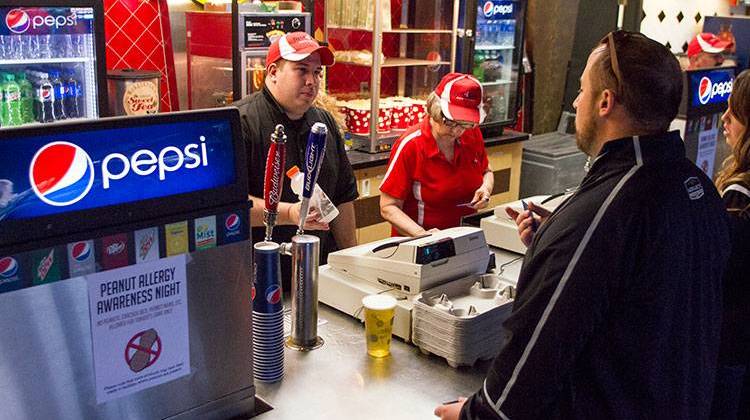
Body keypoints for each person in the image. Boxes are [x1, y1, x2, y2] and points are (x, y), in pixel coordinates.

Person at [435, 31, 730, 420]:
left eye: (581, 90)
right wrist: (557, 242)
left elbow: (533, 360)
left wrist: (478, 412)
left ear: (605, 102)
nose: (575, 102)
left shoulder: (605, 213)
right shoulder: (698, 188)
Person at [234, 32, 358, 290]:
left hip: (320, 275)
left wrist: (351, 262)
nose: (312, 81)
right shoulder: (240, 123)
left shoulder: (324, 124)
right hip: (259, 278)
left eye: (317, 73)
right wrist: (291, 213)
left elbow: (343, 197)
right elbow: (231, 209)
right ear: (273, 72)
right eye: (301, 70)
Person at [379, 73, 494, 236]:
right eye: (450, 122)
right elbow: (388, 207)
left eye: (464, 124)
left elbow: (486, 170)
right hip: (418, 242)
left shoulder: (471, 134)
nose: (457, 131)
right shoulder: (412, 145)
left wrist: (486, 188)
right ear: (435, 111)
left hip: (465, 236)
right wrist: (422, 235)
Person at [710, 69, 750, 419]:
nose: (725, 118)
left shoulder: (740, 194)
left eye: (734, 111)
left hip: (728, 348)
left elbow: (719, 272)